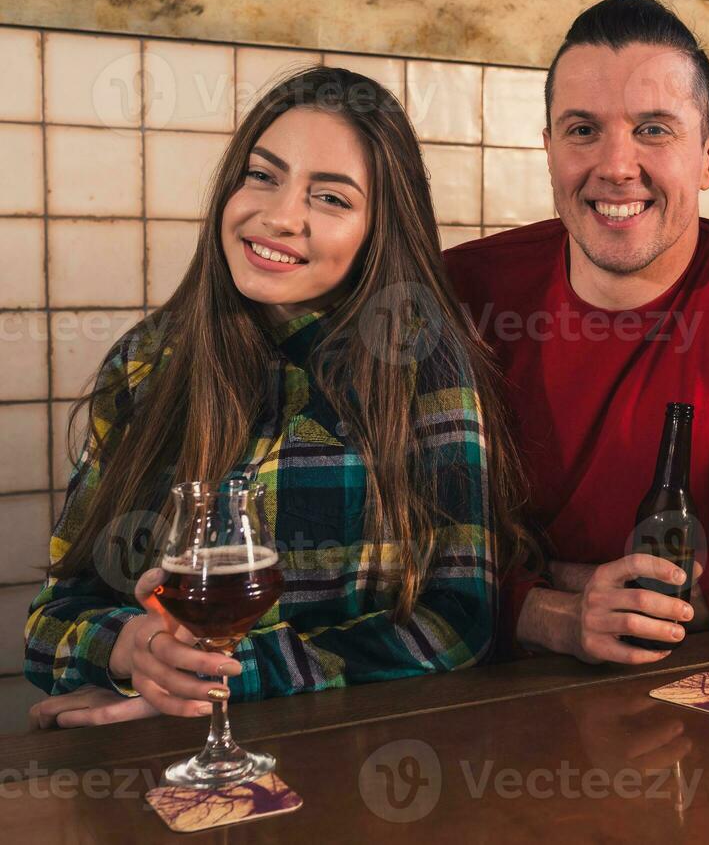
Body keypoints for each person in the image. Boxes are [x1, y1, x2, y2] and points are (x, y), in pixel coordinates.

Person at [26, 67, 531, 727]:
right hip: (165, 769)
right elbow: (52, 620)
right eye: (262, 176)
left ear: (379, 233)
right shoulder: (147, 362)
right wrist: (133, 648)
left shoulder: (425, 368)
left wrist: (233, 677)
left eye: (331, 199)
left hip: (353, 772)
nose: (279, 215)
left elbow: (458, 625)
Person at [446, 0, 709, 665]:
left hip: (699, 681)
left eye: (653, 129)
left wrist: (550, 580)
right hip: (478, 677)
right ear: (549, 151)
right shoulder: (463, 292)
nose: (615, 165)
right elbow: (408, 548)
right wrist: (553, 612)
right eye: (582, 130)